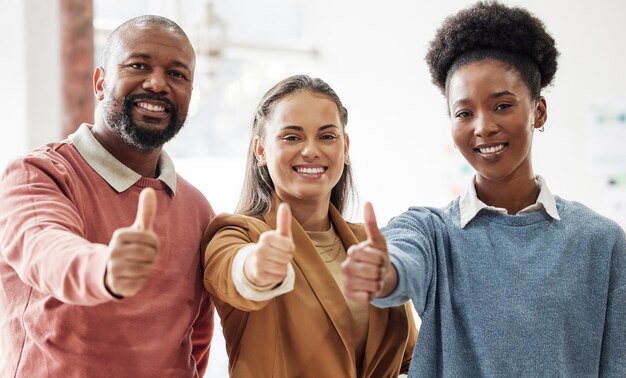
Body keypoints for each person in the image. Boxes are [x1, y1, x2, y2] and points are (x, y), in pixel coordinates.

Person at [342, 2, 626, 377]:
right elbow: (401, 260)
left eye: (502, 105)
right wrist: (383, 271)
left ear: (538, 111)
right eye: (464, 113)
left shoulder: (601, 242)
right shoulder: (431, 231)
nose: (482, 127)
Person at [0, 16, 215, 377]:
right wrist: (106, 269)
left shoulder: (197, 208)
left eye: (177, 74)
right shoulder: (37, 174)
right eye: (138, 65)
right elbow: (46, 249)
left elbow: (195, 340)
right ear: (100, 83)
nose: (157, 83)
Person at [202, 75, 417, 377]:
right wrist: (256, 268)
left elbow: (409, 357)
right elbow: (232, 269)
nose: (311, 151)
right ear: (261, 150)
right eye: (292, 137)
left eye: (327, 136)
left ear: (345, 147)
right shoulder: (238, 233)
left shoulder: (369, 242)